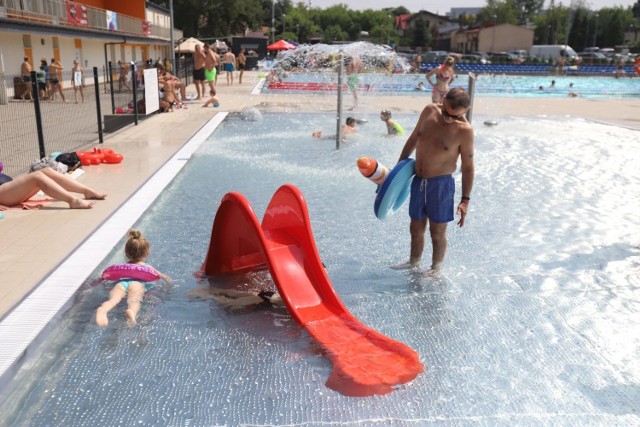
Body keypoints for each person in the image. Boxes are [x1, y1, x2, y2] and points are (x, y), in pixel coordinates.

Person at [392, 87, 474, 275]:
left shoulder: (465, 131)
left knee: (437, 232)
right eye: (445, 112)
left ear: (465, 111)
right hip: (419, 180)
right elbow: (413, 139)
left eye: (454, 116)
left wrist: (465, 200)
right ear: (443, 100)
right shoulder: (429, 110)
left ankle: (435, 268)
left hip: (441, 185)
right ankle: (413, 262)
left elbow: (468, 166)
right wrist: (397, 173)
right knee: (415, 227)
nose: (447, 118)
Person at [96, 229, 171, 326]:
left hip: (121, 284)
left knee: (113, 300)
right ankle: (131, 312)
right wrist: (169, 281)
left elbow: (105, 277)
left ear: (126, 253)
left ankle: (103, 310)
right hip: (137, 284)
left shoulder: (122, 268)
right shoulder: (147, 267)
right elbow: (162, 276)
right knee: (134, 301)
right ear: (147, 253)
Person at [0, 167, 106, 209]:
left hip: (6, 187)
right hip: (3, 195)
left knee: (47, 171)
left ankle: (87, 191)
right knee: (37, 177)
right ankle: (73, 201)